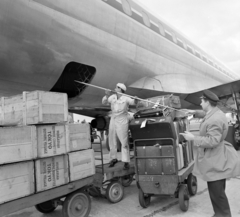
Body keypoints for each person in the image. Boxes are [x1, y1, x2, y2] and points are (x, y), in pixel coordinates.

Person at [180, 90, 240, 217]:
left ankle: (223, 214)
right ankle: (219, 213)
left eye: (202, 101)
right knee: (217, 192)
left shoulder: (215, 119)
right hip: (216, 158)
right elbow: (206, 115)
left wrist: (193, 138)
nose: (200, 103)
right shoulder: (215, 112)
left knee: (217, 193)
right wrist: (193, 112)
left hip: (215, 160)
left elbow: (213, 140)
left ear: (208, 102)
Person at [102, 83, 138, 170]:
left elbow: (133, 102)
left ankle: (126, 161)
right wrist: (106, 95)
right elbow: (104, 102)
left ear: (120, 89)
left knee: (123, 141)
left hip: (122, 120)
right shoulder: (113, 97)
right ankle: (113, 158)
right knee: (112, 140)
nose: (115, 88)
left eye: (117, 87)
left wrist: (136, 100)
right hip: (113, 119)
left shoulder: (126, 98)